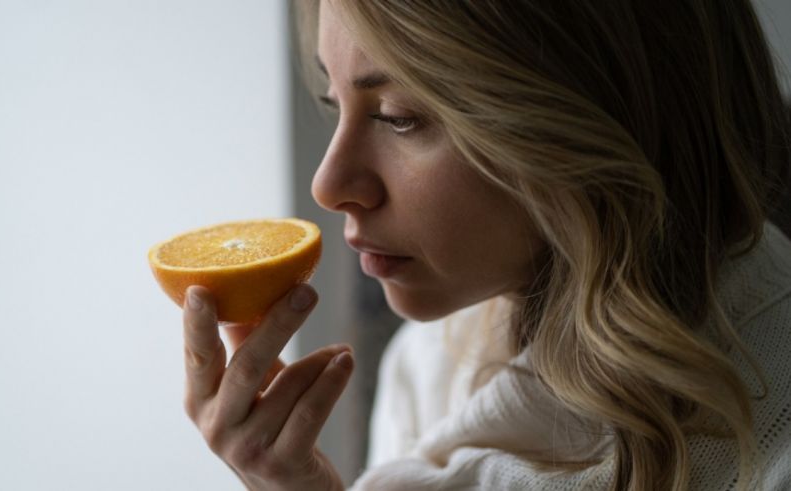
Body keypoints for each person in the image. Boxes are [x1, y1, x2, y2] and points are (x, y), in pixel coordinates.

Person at [180, 0, 791, 489]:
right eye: (333, 105)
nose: (329, 185)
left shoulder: (769, 437)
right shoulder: (426, 368)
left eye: (398, 115)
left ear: (591, 113)